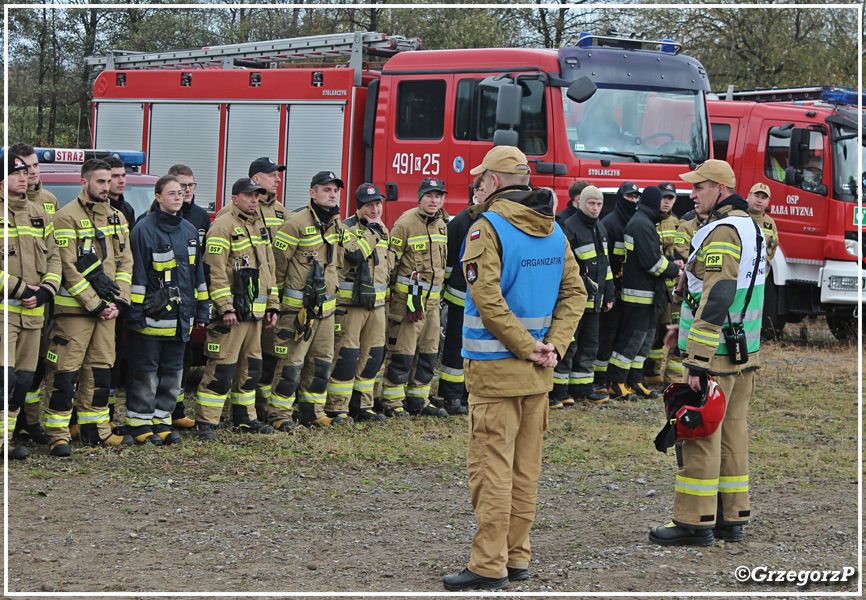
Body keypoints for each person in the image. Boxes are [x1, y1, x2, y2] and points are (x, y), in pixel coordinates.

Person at [442, 146, 585, 591]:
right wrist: (554, 347)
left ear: (497, 181)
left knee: (492, 470)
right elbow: (575, 294)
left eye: (482, 178)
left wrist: (527, 348)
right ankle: (516, 557)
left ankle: (488, 565)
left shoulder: (488, 228)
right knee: (525, 471)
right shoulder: (555, 229)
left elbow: (487, 300)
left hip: (496, 372)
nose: (477, 184)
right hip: (539, 375)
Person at [650, 159, 765, 546]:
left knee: (699, 432)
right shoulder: (752, 228)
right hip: (743, 351)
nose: (692, 194)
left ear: (718, 187)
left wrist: (696, 358)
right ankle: (731, 518)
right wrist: (678, 328)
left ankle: (694, 521)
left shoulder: (721, 231)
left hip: (714, 354)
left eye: (698, 187)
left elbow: (718, 297)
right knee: (732, 431)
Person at [43, 159, 135, 454]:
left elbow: (125, 262)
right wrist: (96, 305)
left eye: (109, 181)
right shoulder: (65, 217)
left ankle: (97, 430)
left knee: (100, 373)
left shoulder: (117, 217)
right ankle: (57, 433)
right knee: (64, 373)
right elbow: (67, 269)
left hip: (108, 312)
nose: (106, 187)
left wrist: (119, 300)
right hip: (74, 312)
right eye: (100, 182)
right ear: (84, 183)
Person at [268, 171, 361, 427]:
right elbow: (277, 268)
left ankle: (313, 413)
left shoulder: (336, 224)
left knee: (321, 364)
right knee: (291, 365)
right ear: (312, 193)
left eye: (335, 190)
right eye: (326, 190)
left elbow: (337, 266)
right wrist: (275, 306)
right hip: (298, 312)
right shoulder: (295, 223)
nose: (332, 195)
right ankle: (279, 415)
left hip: (327, 312)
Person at [122, 175, 210, 446]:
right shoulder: (143, 229)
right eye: (171, 193)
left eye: (181, 193)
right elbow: (136, 274)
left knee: (173, 374)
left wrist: (203, 310)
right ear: (158, 197)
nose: (178, 197)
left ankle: (162, 421)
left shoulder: (188, 230)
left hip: (181, 320)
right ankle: (139, 423)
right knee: (146, 373)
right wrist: (134, 312)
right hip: (151, 317)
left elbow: (197, 276)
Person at [194, 178, 279, 440]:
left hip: (255, 315)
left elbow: (269, 270)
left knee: (250, 369)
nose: (254, 200)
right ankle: (206, 422)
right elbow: (214, 272)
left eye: (257, 195)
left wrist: (273, 305)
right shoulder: (222, 227)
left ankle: (245, 418)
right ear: (235, 198)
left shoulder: (260, 227)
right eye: (248, 195)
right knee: (221, 368)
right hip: (232, 315)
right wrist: (225, 307)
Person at [1, 153, 61, 459]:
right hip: (5, 312)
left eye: (25, 172)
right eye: (16, 173)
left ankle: (6, 440)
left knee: (24, 381)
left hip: (34, 313)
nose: (24, 177)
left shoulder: (40, 213)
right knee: (4, 378)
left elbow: (54, 257)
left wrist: (47, 291)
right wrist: (22, 289)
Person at [380, 178, 450, 419]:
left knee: (428, 353)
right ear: (419, 198)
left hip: (432, 304)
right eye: (429, 195)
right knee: (402, 353)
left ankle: (418, 400)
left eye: (438, 196)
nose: (434, 200)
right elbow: (391, 263)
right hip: (409, 302)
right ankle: (393, 402)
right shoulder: (405, 224)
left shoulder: (442, 224)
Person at [324, 183, 391, 423]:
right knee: (346, 356)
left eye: (378, 204)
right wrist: (372, 232)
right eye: (369, 206)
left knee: (372, 356)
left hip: (377, 306)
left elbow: (386, 267)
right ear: (359, 207)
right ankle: (337, 407)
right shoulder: (346, 228)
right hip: (350, 306)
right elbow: (355, 254)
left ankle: (363, 405)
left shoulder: (383, 228)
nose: (375, 210)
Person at [606, 186, 681, 400]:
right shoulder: (641, 224)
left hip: (647, 294)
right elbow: (651, 262)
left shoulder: (644, 222)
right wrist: (675, 270)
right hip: (639, 294)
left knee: (644, 341)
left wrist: (669, 264)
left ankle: (635, 381)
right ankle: (616, 382)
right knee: (631, 340)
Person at [553, 185, 614, 406]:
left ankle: (582, 388)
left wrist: (609, 293)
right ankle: (558, 392)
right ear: (581, 202)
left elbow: (606, 266)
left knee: (590, 345)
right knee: (569, 345)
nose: (595, 208)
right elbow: (566, 267)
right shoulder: (569, 227)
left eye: (599, 204)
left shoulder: (601, 229)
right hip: (575, 300)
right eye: (591, 203)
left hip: (595, 301)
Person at [436, 175, 490, 415]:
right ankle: (451, 395)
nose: (487, 195)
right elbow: (449, 261)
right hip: (460, 297)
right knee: (456, 347)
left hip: (485, 300)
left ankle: (470, 392)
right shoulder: (461, 221)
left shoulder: (495, 220)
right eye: (483, 190)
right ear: (475, 192)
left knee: (478, 348)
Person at [166, 163, 212, 429]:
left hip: (190, 296)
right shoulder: (156, 217)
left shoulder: (200, 217)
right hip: (165, 299)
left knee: (184, 358)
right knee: (164, 358)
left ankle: (178, 409)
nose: (186, 191)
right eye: (181, 187)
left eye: (190, 186)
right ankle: (161, 409)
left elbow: (200, 264)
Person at [593, 181, 639, 395]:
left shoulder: (635, 221)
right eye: (629, 197)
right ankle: (599, 379)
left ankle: (613, 377)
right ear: (621, 198)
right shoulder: (610, 223)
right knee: (607, 335)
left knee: (621, 334)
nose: (633, 200)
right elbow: (605, 261)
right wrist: (608, 291)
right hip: (612, 291)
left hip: (628, 291)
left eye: (636, 197)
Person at [645, 181, 683, 385]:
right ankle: (645, 370)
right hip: (652, 285)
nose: (666, 202)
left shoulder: (677, 224)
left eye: (670, 198)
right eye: (663, 197)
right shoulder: (649, 221)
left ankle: (653, 372)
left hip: (670, 289)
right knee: (649, 333)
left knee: (663, 333)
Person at [746, 183, 778, 265]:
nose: (759, 200)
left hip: (761, 275)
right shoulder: (739, 217)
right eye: (756, 196)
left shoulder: (770, 223)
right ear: (748, 196)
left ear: (768, 202)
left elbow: (773, 249)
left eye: (764, 198)